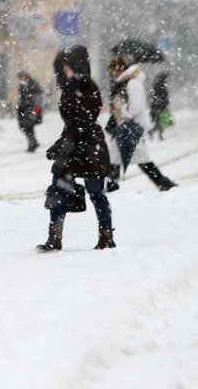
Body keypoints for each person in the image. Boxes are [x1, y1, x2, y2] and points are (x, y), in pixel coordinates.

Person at [37, 45, 115, 252]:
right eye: (61, 66)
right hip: (73, 146)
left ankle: (106, 237)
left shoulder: (88, 87)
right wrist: (62, 143)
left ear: (76, 65)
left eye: (66, 66)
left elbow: (85, 121)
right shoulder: (70, 88)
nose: (63, 70)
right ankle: (54, 238)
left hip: (89, 147)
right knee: (58, 189)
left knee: (96, 192)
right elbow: (73, 124)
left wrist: (64, 143)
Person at [105, 56, 176, 191]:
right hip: (127, 126)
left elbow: (137, 106)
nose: (112, 74)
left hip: (132, 127)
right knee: (115, 155)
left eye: (114, 71)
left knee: (139, 158)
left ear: (120, 69)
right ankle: (111, 184)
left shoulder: (132, 83)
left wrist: (120, 108)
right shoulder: (127, 82)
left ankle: (163, 183)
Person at [16, 71, 43, 152]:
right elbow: (23, 99)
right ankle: (33, 142)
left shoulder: (32, 85)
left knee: (28, 126)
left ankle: (33, 143)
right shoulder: (23, 85)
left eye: (21, 76)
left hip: (31, 110)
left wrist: (34, 113)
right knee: (26, 127)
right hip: (25, 110)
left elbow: (38, 101)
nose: (20, 78)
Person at [148, 71, 171, 140]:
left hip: (159, 107)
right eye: (166, 78)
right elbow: (159, 97)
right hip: (159, 107)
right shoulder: (159, 86)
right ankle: (155, 134)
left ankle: (157, 134)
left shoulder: (158, 85)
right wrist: (162, 103)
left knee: (161, 122)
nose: (167, 80)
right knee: (160, 122)